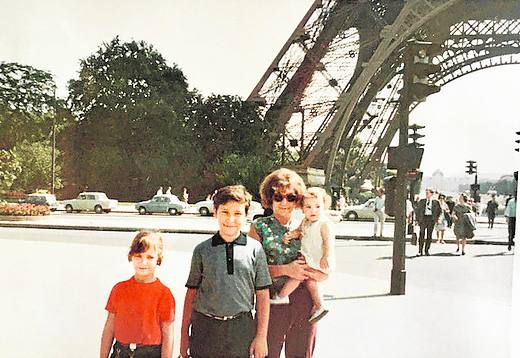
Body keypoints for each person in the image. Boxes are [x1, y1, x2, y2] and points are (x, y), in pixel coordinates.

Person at [180, 185, 271, 358]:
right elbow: (191, 293)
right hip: (206, 328)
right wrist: (184, 335)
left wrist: (261, 336)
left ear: (246, 215)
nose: (230, 219)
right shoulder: (202, 250)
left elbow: (262, 295)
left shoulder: (255, 250)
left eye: (237, 213)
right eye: (225, 212)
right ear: (215, 212)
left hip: (240, 328)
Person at [249, 168, 326, 358]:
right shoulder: (259, 227)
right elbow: (251, 272)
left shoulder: (308, 226)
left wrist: (318, 272)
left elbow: (324, 267)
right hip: (272, 304)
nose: (284, 202)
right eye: (278, 197)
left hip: (304, 302)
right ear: (269, 198)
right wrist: (286, 270)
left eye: (290, 197)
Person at [100, 231, 175, 358]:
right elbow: (109, 328)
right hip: (120, 352)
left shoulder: (164, 294)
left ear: (158, 259)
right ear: (131, 256)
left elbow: (168, 335)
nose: (143, 262)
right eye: (138, 256)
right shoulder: (119, 289)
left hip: (150, 353)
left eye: (150, 257)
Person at [272, 187, 335, 324]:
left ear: (324, 206)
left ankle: (281, 295)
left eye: (318, 206)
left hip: (318, 260)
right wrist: (290, 235)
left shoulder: (323, 224)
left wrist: (326, 256)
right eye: (309, 207)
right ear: (302, 208)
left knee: (298, 275)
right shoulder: (305, 221)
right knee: (310, 281)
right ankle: (319, 304)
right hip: (309, 258)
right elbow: (298, 231)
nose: (313, 211)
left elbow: (327, 242)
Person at [415, 188, 442, 256]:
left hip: (431, 219)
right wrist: (417, 220)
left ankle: (427, 250)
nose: (426, 194)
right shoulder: (422, 201)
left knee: (429, 235)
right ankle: (420, 250)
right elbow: (417, 211)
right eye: (426, 193)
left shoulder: (436, 202)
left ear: (431, 194)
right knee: (421, 234)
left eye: (428, 193)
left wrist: (438, 219)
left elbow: (440, 211)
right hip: (423, 218)